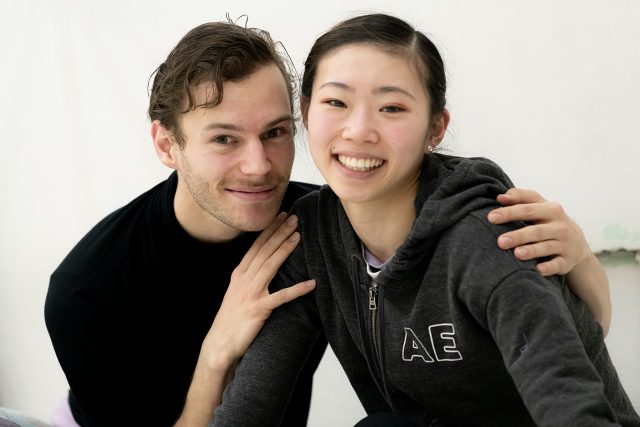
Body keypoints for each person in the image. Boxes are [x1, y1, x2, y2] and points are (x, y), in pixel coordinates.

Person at [44, 19, 611, 427]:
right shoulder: (87, 289)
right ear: (167, 144)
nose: (258, 166)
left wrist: (580, 258)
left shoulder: (329, 227)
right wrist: (217, 354)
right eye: (224, 139)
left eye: (274, 132)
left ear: (435, 127)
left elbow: (573, 372)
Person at [212, 14, 639, 426]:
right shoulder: (312, 238)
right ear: (306, 111)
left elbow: (570, 400)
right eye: (336, 102)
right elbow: (251, 407)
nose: (358, 130)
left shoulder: (487, 237)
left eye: (392, 107)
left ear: (435, 127)